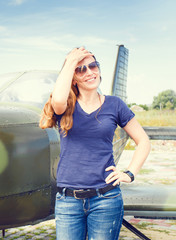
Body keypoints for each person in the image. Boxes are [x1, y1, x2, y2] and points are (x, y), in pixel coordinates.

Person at [39, 47, 150, 240]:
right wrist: (70, 61)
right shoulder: (64, 106)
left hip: (106, 199)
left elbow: (143, 141)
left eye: (93, 66)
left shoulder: (115, 105)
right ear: (72, 77)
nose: (89, 72)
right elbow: (57, 99)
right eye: (81, 69)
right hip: (68, 201)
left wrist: (129, 173)